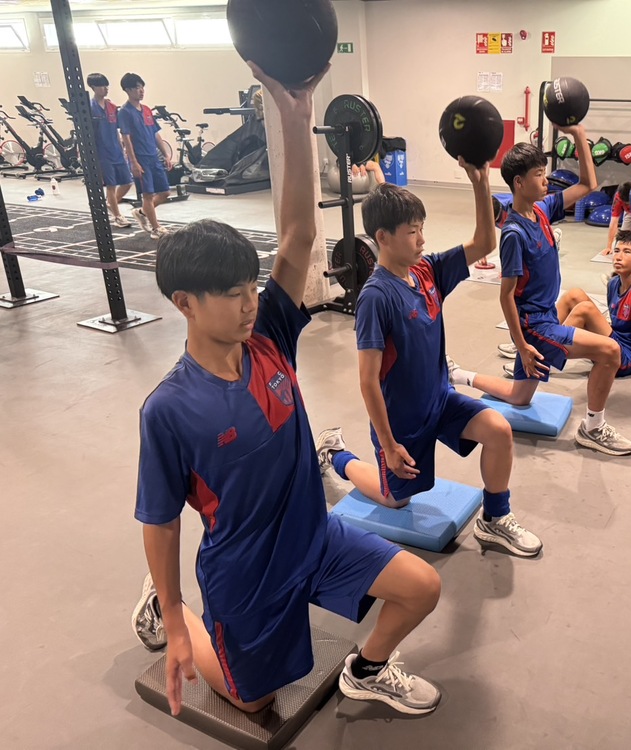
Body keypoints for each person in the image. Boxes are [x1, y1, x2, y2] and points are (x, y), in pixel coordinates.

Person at [131, 62, 443, 719]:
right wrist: (178, 611)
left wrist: (297, 114)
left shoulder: (269, 334)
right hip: (246, 569)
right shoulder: (169, 409)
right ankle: (171, 611)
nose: (251, 303)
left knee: (421, 587)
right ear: (185, 303)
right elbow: (159, 520)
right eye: (232, 294)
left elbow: (299, 235)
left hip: (314, 536)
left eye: (252, 287)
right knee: (254, 702)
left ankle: (367, 670)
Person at [315, 162, 542, 558]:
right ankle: (336, 454)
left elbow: (484, 243)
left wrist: (480, 182)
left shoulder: (427, 270)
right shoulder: (376, 298)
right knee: (394, 499)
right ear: (383, 238)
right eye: (412, 232)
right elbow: (368, 380)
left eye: (422, 228)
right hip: (402, 422)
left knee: (498, 430)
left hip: (439, 400)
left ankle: (495, 519)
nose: (422, 239)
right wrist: (388, 445)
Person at [447, 130, 631, 457]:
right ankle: (593, 428)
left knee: (519, 397)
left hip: (545, 315)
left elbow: (588, 184)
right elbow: (506, 296)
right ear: (519, 182)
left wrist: (578, 133)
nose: (546, 180)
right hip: (535, 327)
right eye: (539, 174)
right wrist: (522, 346)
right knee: (610, 352)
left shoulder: (543, 209)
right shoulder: (514, 234)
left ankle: (458, 375)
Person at [508, 229, 631, 386]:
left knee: (585, 309)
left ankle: (540, 359)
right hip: (615, 339)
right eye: (617, 251)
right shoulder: (614, 284)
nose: (619, 257)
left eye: (627, 252)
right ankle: (533, 342)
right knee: (575, 294)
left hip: (625, 358)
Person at [118, 73, 172, 239]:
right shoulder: (125, 112)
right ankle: (156, 228)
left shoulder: (147, 110)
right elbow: (126, 138)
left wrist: (166, 154)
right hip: (140, 159)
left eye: (142, 87)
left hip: (153, 157)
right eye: (136, 88)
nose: (141, 91)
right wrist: (134, 162)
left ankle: (141, 212)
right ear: (127, 90)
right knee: (147, 195)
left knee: (165, 192)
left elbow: (155, 134)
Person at [87, 73, 132, 228]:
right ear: (93, 87)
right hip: (102, 153)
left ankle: (110, 204)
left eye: (107, 86)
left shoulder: (112, 107)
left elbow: (116, 130)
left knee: (127, 182)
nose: (105, 89)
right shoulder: (90, 108)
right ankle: (118, 216)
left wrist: (123, 150)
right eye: (102, 86)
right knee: (111, 186)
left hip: (116, 151)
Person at [600, 181, 631, 256]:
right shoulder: (618, 198)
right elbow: (614, 222)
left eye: (628, 203)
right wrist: (609, 247)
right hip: (629, 213)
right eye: (626, 203)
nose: (628, 205)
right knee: (619, 243)